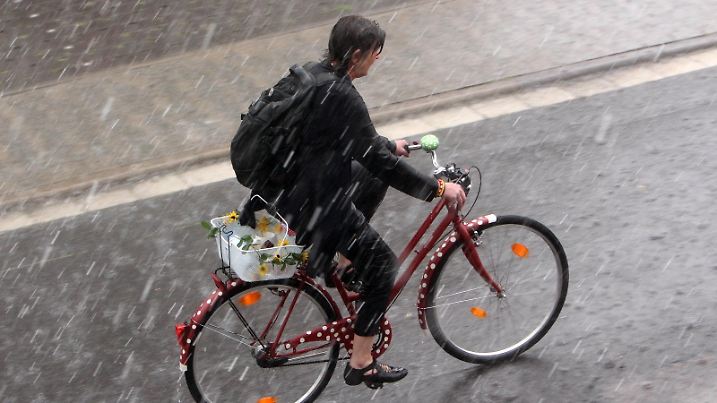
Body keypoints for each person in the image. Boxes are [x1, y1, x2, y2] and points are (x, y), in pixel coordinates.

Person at [244, 15, 466, 387]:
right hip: (314, 200)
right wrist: (438, 189)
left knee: (373, 177)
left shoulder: (315, 76)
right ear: (358, 54)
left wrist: (387, 145)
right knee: (384, 269)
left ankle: (348, 264)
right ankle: (361, 362)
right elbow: (377, 160)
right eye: (375, 53)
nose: (377, 60)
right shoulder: (343, 94)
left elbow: (354, 142)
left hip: (287, 189)